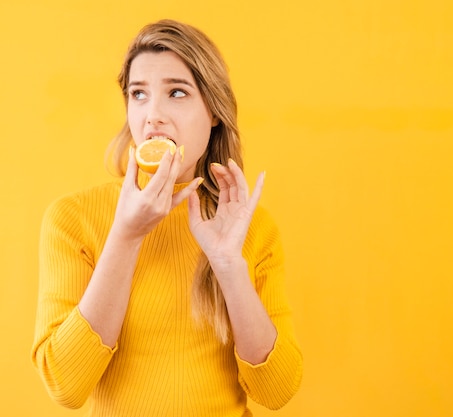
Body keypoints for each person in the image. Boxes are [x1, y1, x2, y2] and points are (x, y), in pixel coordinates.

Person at [31, 19, 303, 416]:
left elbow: (276, 391)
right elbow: (65, 386)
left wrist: (229, 265)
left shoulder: (252, 230)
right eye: (138, 94)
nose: (152, 116)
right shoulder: (73, 220)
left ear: (213, 111)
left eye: (176, 92)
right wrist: (125, 237)